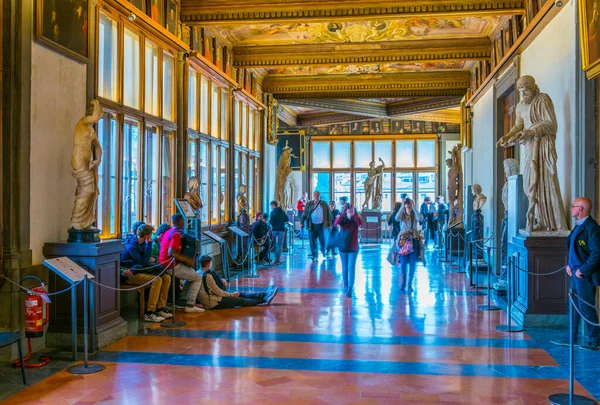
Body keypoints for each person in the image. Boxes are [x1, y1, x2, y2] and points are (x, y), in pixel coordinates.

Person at [551, 197, 600, 350]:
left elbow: (597, 253)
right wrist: (570, 265)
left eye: (573, 206)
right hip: (574, 272)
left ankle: (595, 340)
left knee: (586, 307)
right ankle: (570, 337)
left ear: (580, 209)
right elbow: (575, 250)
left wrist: (582, 270)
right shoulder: (578, 226)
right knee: (573, 306)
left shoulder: (592, 228)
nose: (571, 209)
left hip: (584, 276)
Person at [120, 225, 172, 323]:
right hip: (130, 275)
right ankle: (150, 312)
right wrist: (149, 246)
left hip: (139, 270)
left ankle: (160, 308)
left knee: (167, 277)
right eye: (151, 234)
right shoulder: (132, 246)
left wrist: (146, 259)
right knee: (157, 280)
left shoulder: (143, 243)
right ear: (147, 236)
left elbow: (144, 261)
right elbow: (143, 262)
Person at [159, 213, 205, 313]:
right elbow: (171, 252)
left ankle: (182, 301)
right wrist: (187, 260)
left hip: (163, 262)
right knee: (198, 277)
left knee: (192, 274)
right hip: (170, 265)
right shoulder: (176, 234)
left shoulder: (169, 231)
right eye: (183, 221)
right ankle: (190, 304)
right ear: (181, 222)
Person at [197, 255, 279, 309]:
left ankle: (265, 294)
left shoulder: (198, 272)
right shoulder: (207, 276)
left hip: (214, 298)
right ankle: (264, 300)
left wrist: (221, 280)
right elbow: (218, 292)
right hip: (213, 303)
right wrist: (232, 295)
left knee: (239, 293)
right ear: (209, 264)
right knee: (239, 300)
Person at [334, 204, 362, 298]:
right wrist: (343, 212)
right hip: (343, 247)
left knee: (351, 267)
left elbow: (359, 224)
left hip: (353, 247)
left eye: (351, 210)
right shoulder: (342, 219)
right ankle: (345, 285)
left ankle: (350, 288)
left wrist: (354, 214)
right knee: (345, 267)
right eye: (348, 210)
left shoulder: (356, 219)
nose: (349, 211)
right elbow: (336, 223)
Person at [395, 198, 422, 292]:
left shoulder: (415, 215)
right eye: (407, 205)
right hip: (403, 241)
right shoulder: (402, 215)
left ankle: (410, 283)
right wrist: (402, 205)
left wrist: (414, 207)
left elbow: (420, 218)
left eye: (410, 205)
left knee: (412, 263)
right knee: (403, 263)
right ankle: (403, 282)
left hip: (413, 240)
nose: (409, 207)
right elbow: (396, 218)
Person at [300, 191, 332, 261]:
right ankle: (314, 255)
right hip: (312, 226)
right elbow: (304, 214)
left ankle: (323, 251)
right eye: (315, 195)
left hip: (322, 226)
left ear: (320, 196)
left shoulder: (324, 204)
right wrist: (301, 222)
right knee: (312, 241)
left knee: (323, 240)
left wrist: (329, 224)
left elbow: (329, 215)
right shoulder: (309, 204)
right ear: (313, 196)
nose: (316, 196)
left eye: (318, 195)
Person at [269, 201, 287, 265]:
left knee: (274, 244)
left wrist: (272, 224)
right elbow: (286, 219)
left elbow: (272, 221)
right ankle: (278, 259)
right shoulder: (282, 212)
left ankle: (275, 258)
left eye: (271, 205)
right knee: (280, 245)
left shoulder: (272, 212)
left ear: (273, 205)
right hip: (281, 230)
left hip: (274, 230)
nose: (271, 207)